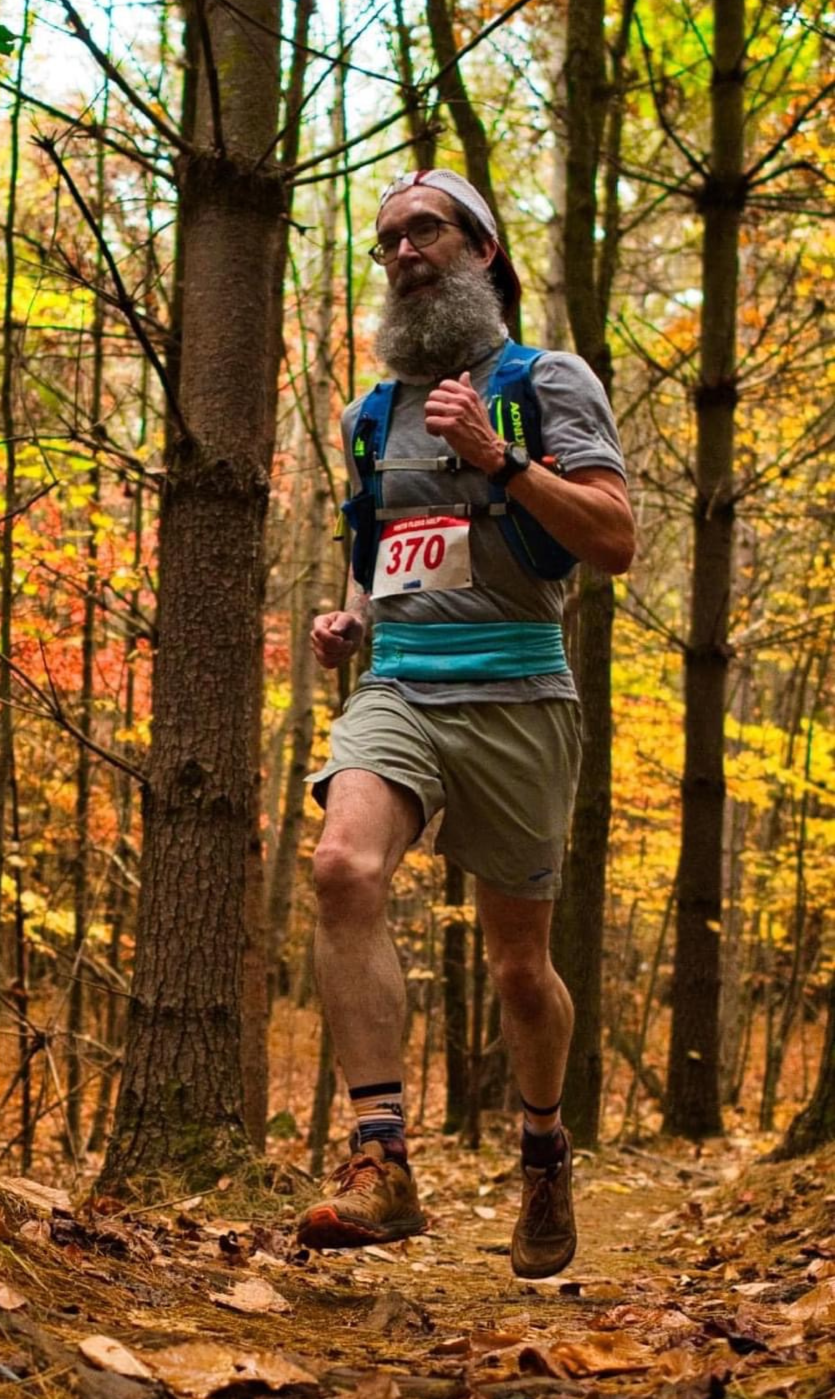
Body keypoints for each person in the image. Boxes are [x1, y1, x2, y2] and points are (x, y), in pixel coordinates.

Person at [296, 169, 635, 1278]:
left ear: (482, 251)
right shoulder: (369, 415)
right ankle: (381, 1158)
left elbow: (615, 537)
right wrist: (347, 622)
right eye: (387, 238)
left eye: (424, 231)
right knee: (342, 865)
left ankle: (542, 1149)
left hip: (522, 692)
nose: (401, 251)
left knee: (519, 971)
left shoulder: (548, 381)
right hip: (400, 690)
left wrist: (504, 458)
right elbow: (375, 554)